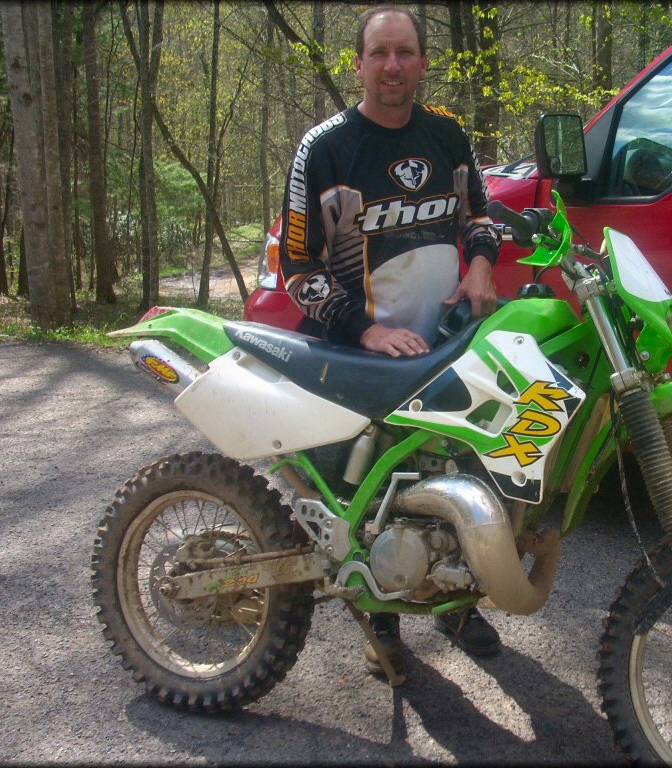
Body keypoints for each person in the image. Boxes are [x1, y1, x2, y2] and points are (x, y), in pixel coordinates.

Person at [278, 5, 502, 677]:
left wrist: (484, 262)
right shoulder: (324, 148)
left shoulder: (448, 137)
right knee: (368, 499)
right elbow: (296, 267)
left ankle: (459, 605)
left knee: (456, 474)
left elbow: (480, 218)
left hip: (441, 349)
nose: (393, 66)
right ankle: (382, 623)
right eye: (379, 53)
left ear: (424, 61)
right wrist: (365, 329)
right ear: (359, 64)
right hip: (356, 354)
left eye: (405, 52)